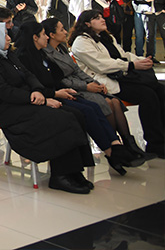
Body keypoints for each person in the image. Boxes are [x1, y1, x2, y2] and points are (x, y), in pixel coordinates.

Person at [0, 24, 95, 194]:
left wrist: (37, 90)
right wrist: (38, 100)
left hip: (24, 100)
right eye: (4, 35)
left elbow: (29, 75)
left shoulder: (7, 54)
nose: (9, 38)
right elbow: (4, 92)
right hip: (5, 108)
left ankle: (74, 170)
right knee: (60, 118)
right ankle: (60, 175)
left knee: (76, 114)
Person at [14, 21, 143, 175]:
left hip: (59, 91)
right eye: (43, 35)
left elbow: (58, 75)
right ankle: (111, 152)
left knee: (93, 107)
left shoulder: (42, 53)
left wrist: (82, 85)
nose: (46, 38)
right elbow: (36, 84)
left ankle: (116, 146)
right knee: (86, 111)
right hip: (47, 96)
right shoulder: (25, 57)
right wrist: (57, 92)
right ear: (35, 37)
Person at [41, 17, 155, 161]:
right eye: (61, 29)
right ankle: (114, 148)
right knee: (105, 103)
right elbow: (61, 80)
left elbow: (77, 71)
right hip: (73, 88)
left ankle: (126, 144)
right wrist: (87, 86)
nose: (65, 32)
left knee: (114, 103)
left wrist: (93, 83)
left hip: (85, 83)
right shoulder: (50, 53)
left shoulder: (62, 49)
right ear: (51, 34)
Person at [69, 10, 164, 158]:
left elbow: (123, 54)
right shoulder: (81, 42)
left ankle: (161, 137)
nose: (102, 20)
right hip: (106, 82)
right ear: (87, 23)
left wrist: (141, 60)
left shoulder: (107, 37)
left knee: (160, 90)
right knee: (148, 95)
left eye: (102, 17)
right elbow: (102, 65)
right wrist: (131, 65)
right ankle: (155, 143)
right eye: (97, 18)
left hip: (122, 76)